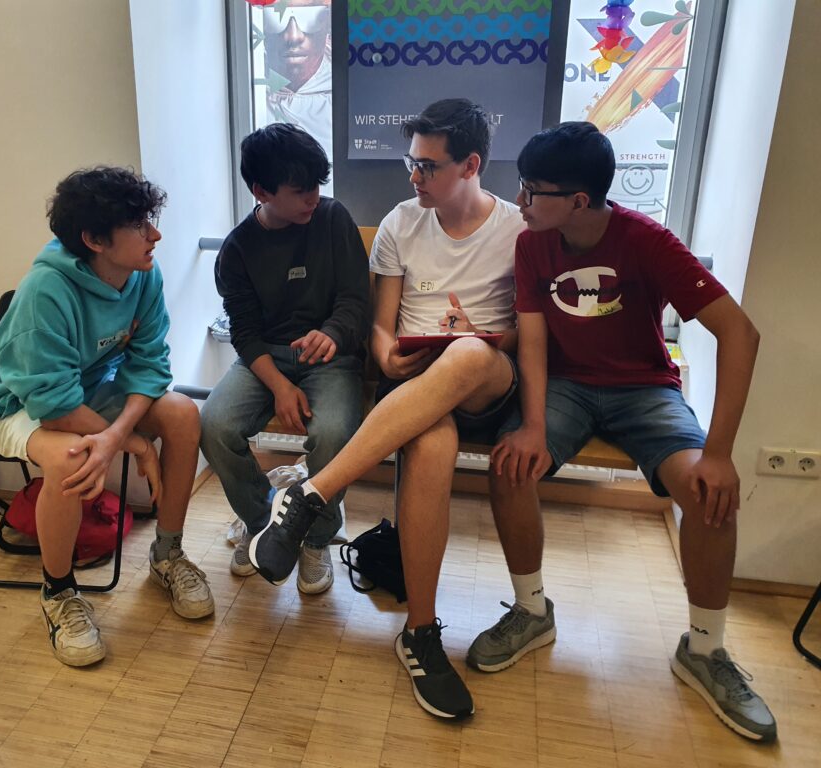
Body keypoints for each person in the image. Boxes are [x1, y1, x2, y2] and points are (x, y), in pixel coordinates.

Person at [472, 121, 776, 743]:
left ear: (579, 201)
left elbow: (740, 333)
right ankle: (531, 611)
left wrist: (718, 455)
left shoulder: (647, 241)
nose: (519, 200)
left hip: (644, 389)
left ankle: (705, 650)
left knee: (708, 495)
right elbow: (533, 341)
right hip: (567, 386)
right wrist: (533, 426)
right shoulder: (533, 244)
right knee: (510, 465)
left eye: (532, 190)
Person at [248, 99, 525, 719]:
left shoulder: (515, 230)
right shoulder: (403, 221)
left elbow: (525, 335)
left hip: (489, 379)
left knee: (468, 354)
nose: (414, 176)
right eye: (411, 163)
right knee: (429, 444)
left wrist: (479, 337)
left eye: (428, 166)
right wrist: (386, 354)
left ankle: (311, 493)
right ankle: (420, 633)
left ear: (470, 165)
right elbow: (380, 324)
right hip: (417, 386)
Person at [0, 167, 214, 668]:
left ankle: (167, 554)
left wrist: (121, 435)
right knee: (70, 458)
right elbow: (53, 405)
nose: (155, 235)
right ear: (95, 241)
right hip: (20, 404)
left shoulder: (143, 273)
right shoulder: (45, 291)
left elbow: (150, 365)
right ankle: (58, 593)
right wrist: (133, 443)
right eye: (139, 225)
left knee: (183, 414)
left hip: (92, 391)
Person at [200, 123, 370, 595]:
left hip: (331, 358)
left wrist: (331, 333)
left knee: (332, 433)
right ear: (261, 192)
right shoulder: (237, 250)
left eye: (317, 185)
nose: (313, 197)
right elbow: (245, 333)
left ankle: (316, 538)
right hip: (265, 360)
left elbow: (356, 300)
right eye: (300, 191)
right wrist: (279, 385)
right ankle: (263, 525)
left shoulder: (332, 219)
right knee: (213, 424)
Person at [262, 0, 333, 187]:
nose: (293, 36)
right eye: (276, 17)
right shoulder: (250, 92)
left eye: (310, 17)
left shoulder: (349, 92)